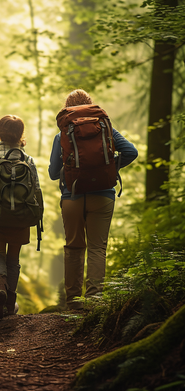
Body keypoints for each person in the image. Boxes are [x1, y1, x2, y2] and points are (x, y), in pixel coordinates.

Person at [48, 89, 138, 311]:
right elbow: (131, 152)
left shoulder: (62, 135)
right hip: (103, 195)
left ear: (67, 108)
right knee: (98, 248)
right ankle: (95, 301)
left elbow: (52, 173)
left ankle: (73, 303)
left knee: (73, 248)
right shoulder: (105, 129)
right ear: (90, 105)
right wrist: (109, 168)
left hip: (72, 196)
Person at [0, 115, 41, 319]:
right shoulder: (28, 160)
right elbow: (36, 191)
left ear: (0, 133)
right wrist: (37, 215)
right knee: (13, 259)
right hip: (21, 216)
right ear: (20, 135)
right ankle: (9, 304)